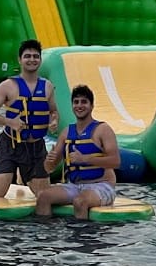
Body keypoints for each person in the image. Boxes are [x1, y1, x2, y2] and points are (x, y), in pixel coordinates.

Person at [0, 39, 58, 197]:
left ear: (40, 60)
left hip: (36, 147)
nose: (32, 59)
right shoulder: (8, 85)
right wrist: (9, 122)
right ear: (20, 60)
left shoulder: (47, 86)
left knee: (43, 195)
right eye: (27, 56)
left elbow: (53, 111)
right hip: (10, 144)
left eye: (35, 56)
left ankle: (23, 175)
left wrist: (54, 121)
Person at [36, 84, 120, 219]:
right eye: (76, 102)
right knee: (43, 196)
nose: (79, 106)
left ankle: (82, 238)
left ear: (92, 106)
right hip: (74, 186)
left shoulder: (103, 130)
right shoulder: (66, 133)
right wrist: (49, 160)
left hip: (101, 186)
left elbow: (115, 162)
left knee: (80, 202)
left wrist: (86, 159)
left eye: (84, 102)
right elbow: (49, 169)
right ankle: (47, 236)